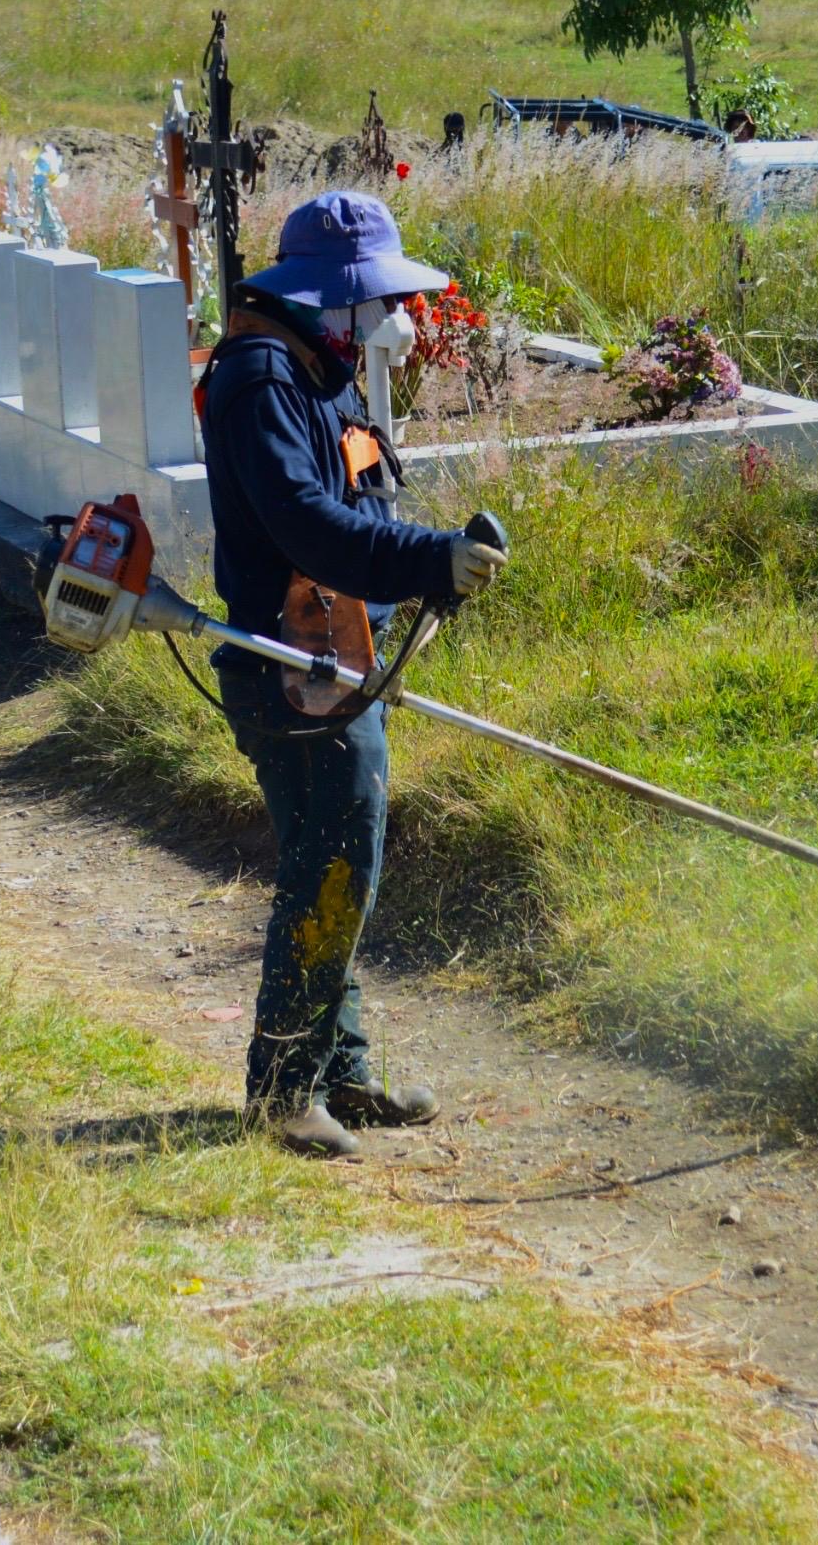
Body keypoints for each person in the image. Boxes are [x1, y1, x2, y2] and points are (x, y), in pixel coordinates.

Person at [195, 190, 508, 1160]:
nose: (385, 321)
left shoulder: (306, 369)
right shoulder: (260, 380)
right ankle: (284, 1088)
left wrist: (425, 567)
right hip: (290, 670)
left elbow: (354, 499)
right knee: (333, 866)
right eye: (369, 304)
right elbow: (305, 524)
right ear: (330, 299)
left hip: (332, 658)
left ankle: (340, 1071)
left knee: (335, 862)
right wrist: (427, 558)